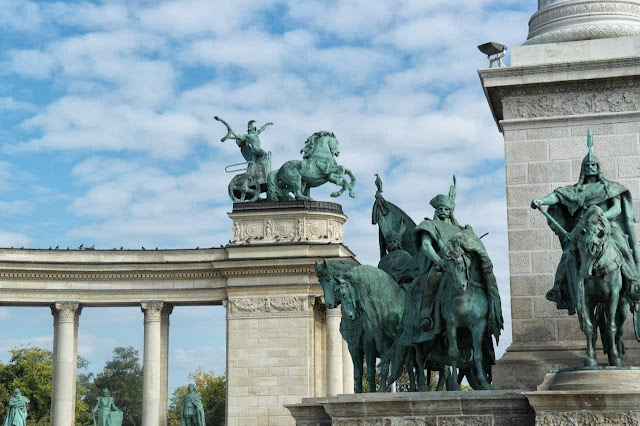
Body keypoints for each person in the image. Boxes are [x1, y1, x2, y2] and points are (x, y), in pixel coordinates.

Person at [531, 131, 640, 313]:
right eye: (587, 165)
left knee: (622, 247)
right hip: (582, 230)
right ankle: (558, 289)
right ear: (583, 168)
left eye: (593, 165)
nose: (590, 167)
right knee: (568, 254)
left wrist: (602, 217)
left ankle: (633, 281)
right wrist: (542, 201)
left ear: (598, 167)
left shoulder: (609, 187)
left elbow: (617, 209)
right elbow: (557, 196)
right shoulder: (576, 191)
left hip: (606, 228)